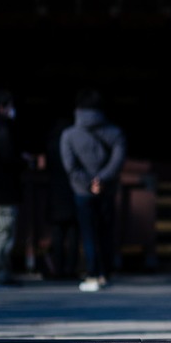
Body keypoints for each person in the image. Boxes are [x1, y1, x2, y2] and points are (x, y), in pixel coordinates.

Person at [60, 88, 126, 292]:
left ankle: (92, 273)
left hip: (82, 190)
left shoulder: (69, 135)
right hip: (107, 188)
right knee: (106, 231)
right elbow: (118, 160)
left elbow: (70, 166)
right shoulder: (114, 133)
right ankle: (105, 272)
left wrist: (89, 183)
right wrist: (102, 179)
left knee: (88, 233)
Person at [0, 89, 23, 288]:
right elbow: (9, 159)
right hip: (3, 191)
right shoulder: (2, 130)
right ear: (2, 108)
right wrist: (24, 162)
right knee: (3, 231)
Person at [44, 117, 79, 279]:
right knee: (72, 235)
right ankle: (70, 268)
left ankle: (57, 268)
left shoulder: (51, 145)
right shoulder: (73, 143)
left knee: (57, 235)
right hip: (72, 191)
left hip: (55, 193)